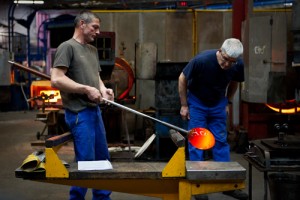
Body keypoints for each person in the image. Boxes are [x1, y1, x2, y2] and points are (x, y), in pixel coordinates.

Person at [51, 10, 114, 200]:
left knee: (103, 160)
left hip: (95, 112)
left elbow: (97, 77)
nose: (97, 32)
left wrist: (104, 90)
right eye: (94, 27)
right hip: (79, 113)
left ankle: (102, 198)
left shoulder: (92, 50)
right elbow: (56, 79)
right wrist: (86, 90)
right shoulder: (67, 47)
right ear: (81, 25)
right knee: (86, 163)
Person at [178, 38, 248, 200]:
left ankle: (227, 184)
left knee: (221, 141)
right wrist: (184, 105)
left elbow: (235, 82)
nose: (226, 65)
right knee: (197, 141)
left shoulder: (237, 65)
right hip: (197, 102)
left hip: (218, 103)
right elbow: (182, 78)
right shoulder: (202, 60)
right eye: (224, 60)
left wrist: (227, 101)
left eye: (231, 62)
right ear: (220, 51)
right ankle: (198, 185)